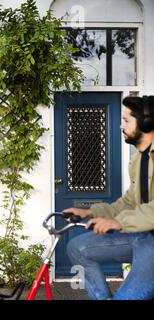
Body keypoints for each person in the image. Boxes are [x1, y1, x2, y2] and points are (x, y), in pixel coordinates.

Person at [63, 95, 154, 300]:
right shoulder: (138, 160)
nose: (120, 126)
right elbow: (129, 202)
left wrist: (117, 222)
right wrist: (91, 211)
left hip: (151, 243)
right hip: (140, 235)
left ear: (147, 122)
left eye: (126, 120)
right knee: (77, 247)